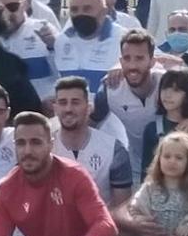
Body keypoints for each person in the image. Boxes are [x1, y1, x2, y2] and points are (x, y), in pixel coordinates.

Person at [52, 77, 133, 207]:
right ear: (55, 108)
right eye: (62, 102)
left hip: (102, 224)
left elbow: (123, 209)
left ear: (89, 108)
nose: (68, 109)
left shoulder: (114, 150)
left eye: (75, 102)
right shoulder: (44, 147)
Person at [95, 28, 164, 165]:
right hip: (135, 165)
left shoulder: (169, 83)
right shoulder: (109, 89)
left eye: (139, 58)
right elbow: (90, 125)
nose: (132, 65)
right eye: (127, 58)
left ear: (152, 61)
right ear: (120, 61)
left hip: (173, 166)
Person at [0, 0, 57, 104]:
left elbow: (65, 74)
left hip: (40, 113)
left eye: (12, 7)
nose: (6, 14)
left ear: (24, 5)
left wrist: (53, 46)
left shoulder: (43, 30)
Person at [55, 0, 125, 89]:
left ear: (104, 12)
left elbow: (156, 62)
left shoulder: (124, 38)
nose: (80, 14)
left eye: (87, 9)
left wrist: (125, 67)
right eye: (74, 10)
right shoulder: (62, 40)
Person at [140, 66, 188, 176]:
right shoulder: (153, 129)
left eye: (176, 90)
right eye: (164, 88)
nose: (167, 95)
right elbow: (146, 172)